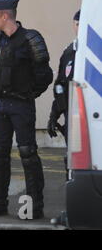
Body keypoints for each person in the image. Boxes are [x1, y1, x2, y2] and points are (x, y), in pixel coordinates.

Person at [0, 0, 53, 219]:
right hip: (0, 104)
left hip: (21, 105)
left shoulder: (31, 38)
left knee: (28, 154)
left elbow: (44, 74)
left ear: (4, 16)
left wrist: (29, 95)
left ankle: (33, 205)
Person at [47, 10, 79, 179]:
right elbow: (60, 85)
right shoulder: (69, 52)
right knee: (72, 156)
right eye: (77, 25)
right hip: (72, 114)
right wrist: (54, 114)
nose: (80, 28)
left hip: (93, 114)